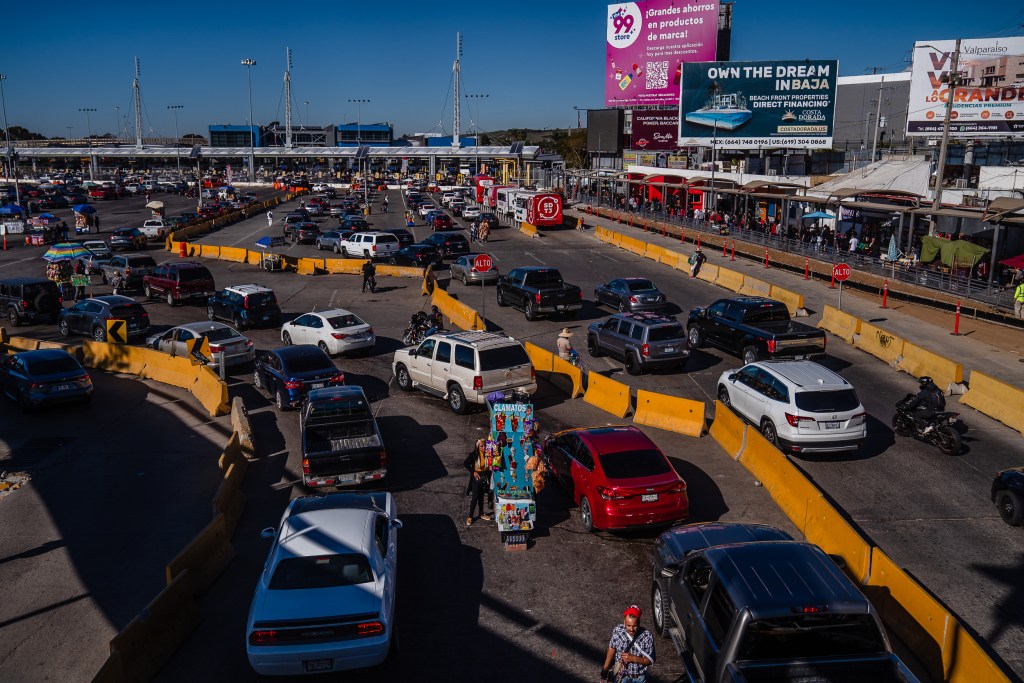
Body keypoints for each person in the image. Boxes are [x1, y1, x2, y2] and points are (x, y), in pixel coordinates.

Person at [601, 605, 655, 683]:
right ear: (624, 622)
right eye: (628, 625)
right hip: (621, 677)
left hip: (639, 678)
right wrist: (605, 668)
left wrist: (633, 658)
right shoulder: (618, 631)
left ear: (639, 622)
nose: (631, 629)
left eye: (635, 626)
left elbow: (650, 660)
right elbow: (612, 648)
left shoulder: (647, 636)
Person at [463, 439, 493, 526]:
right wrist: (473, 472)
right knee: (475, 497)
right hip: (477, 477)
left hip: (485, 476)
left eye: (485, 446)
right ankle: (470, 516)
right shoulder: (474, 455)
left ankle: (481, 513)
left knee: (481, 496)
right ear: (477, 446)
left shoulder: (488, 454)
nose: (484, 447)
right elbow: (465, 463)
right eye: (481, 446)